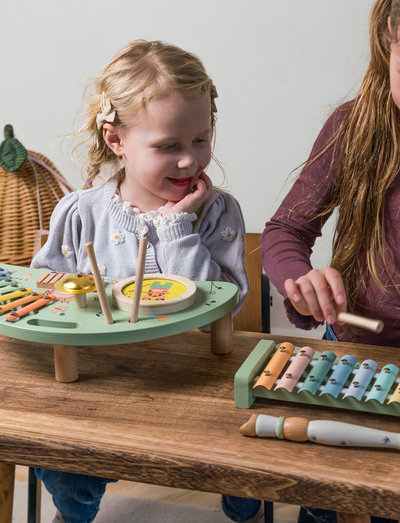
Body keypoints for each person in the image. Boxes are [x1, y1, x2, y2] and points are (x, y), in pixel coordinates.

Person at [31, 39, 248, 523]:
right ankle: (73, 514)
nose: (190, 160)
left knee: (252, 452)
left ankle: (246, 509)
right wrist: (60, 292)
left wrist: (177, 229)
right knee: (59, 458)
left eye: (201, 139)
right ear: (115, 140)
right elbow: (46, 296)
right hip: (103, 385)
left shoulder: (217, 212)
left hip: (197, 380)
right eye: (168, 146)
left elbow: (219, 311)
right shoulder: (79, 213)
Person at [259, 0, 400, 522]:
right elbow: (285, 231)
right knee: (330, 504)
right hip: (355, 357)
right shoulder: (354, 126)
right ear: (388, 41)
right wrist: (301, 281)